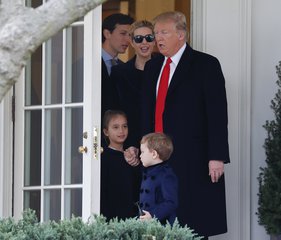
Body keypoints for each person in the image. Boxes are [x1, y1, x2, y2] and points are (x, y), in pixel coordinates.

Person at [141, 11, 230, 239]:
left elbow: (217, 113)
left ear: (181, 35)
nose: (157, 38)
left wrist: (217, 156)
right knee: (159, 221)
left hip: (194, 157)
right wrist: (138, 147)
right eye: (156, 33)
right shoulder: (153, 67)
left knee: (194, 222)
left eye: (164, 32)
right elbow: (147, 112)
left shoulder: (205, 64)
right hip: (156, 158)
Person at [111, 20, 155, 148]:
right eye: (138, 39)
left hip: (161, 140)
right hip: (131, 142)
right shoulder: (119, 73)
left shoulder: (165, 68)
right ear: (131, 42)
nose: (144, 42)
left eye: (149, 38)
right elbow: (115, 110)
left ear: (154, 40)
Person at [100, 110, 141, 220]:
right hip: (111, 218)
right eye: (115, 127)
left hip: (131, 217)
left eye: (125, 126)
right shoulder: (103, 158)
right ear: (106, 131)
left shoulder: (132, 156)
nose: (121, 131)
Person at [138, 132, 178, 225]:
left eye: (143, 152)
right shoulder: (147, 172)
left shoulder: (166, 175)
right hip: (145, 223)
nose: (140, 155)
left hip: (161, 224)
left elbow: (171, 202)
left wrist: (152, 215)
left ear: (154, 154)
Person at [101, 13, 134, 120]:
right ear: (107, 34)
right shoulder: (86, 65)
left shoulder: (125, 68)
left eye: (129, 35)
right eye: (123, 33)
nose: (128, 40)